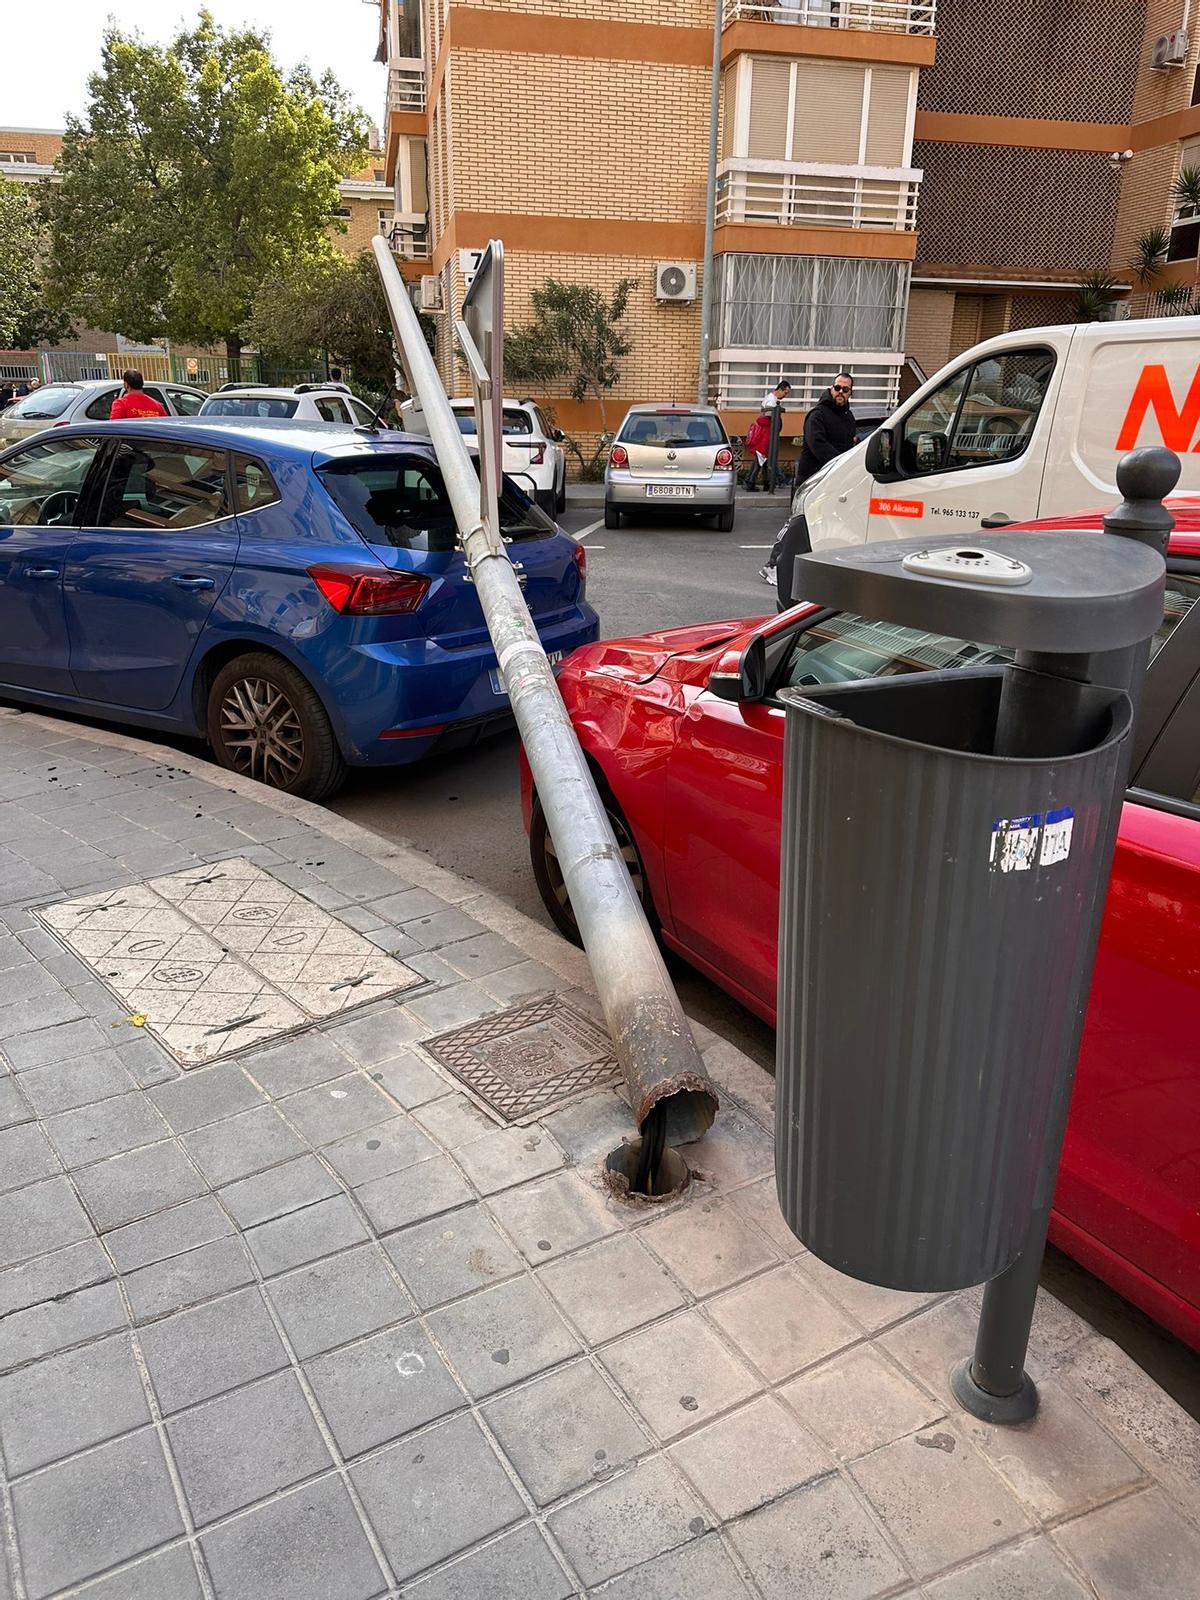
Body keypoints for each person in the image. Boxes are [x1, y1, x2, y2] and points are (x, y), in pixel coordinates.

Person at [760, 372, 857, 585]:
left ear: (851, 393)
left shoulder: (849, 418)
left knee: (819, 526)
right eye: (837, 388)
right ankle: (773, 566)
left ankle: (809, 569)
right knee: (797, 524)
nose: (840, 392)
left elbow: (850, 446)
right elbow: (817, 445)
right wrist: (841, 464)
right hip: (811, 479)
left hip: (834, 480)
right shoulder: (818, 415)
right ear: (831, 388)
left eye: (845, 389)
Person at [743, 411, 772, 491]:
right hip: (763, 449)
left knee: (762, 466)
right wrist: (766, 452)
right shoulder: (769, 425)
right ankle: (751, 484)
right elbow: (767, 440)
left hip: (758, 448)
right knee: (758, 467)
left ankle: (765, 483)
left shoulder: (762, 423)